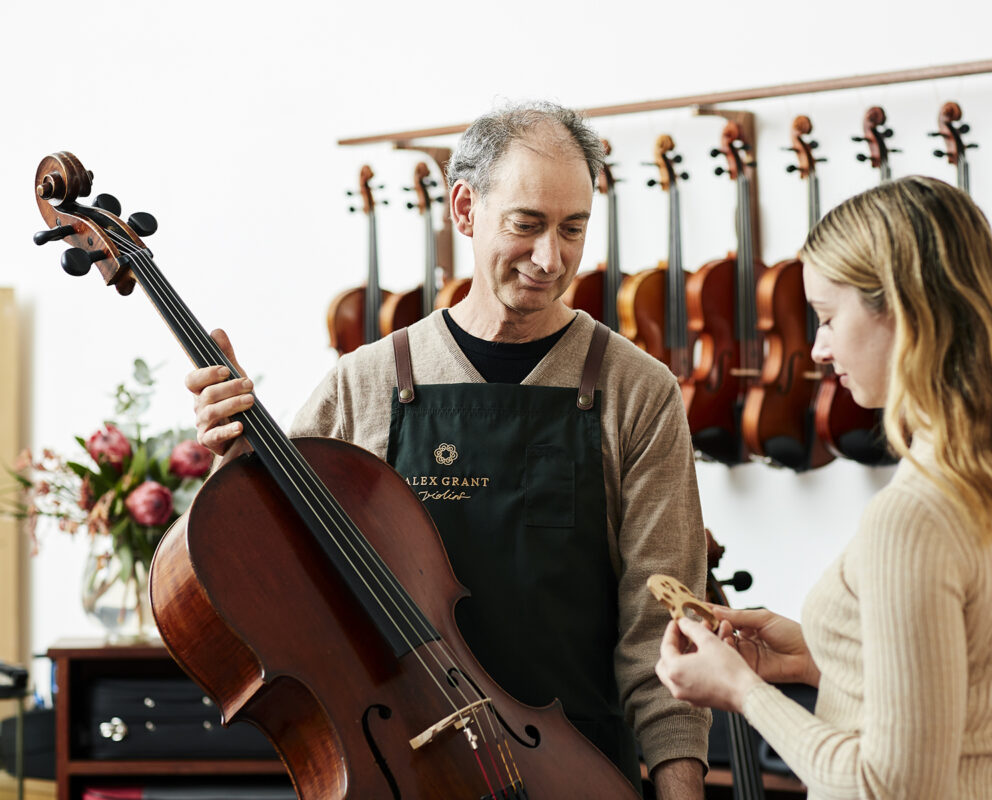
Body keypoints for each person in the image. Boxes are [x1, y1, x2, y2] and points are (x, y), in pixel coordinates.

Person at [187, 102, 709, 798]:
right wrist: (231, 456)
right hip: (407, 770)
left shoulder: (638, 391)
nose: (551, 258)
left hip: (580, 777)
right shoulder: (364, 384)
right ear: (465, 208)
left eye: (573, 228)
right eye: (526, 224)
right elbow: (266, 572)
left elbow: (663, 640)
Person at [656, 175, 992, 799]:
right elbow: (972, 701)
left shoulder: (917, 515)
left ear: (904, 310)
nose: (817, 348)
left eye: (827, 318)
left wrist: (742, 691)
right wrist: (819, 658)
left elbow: (890, 785)